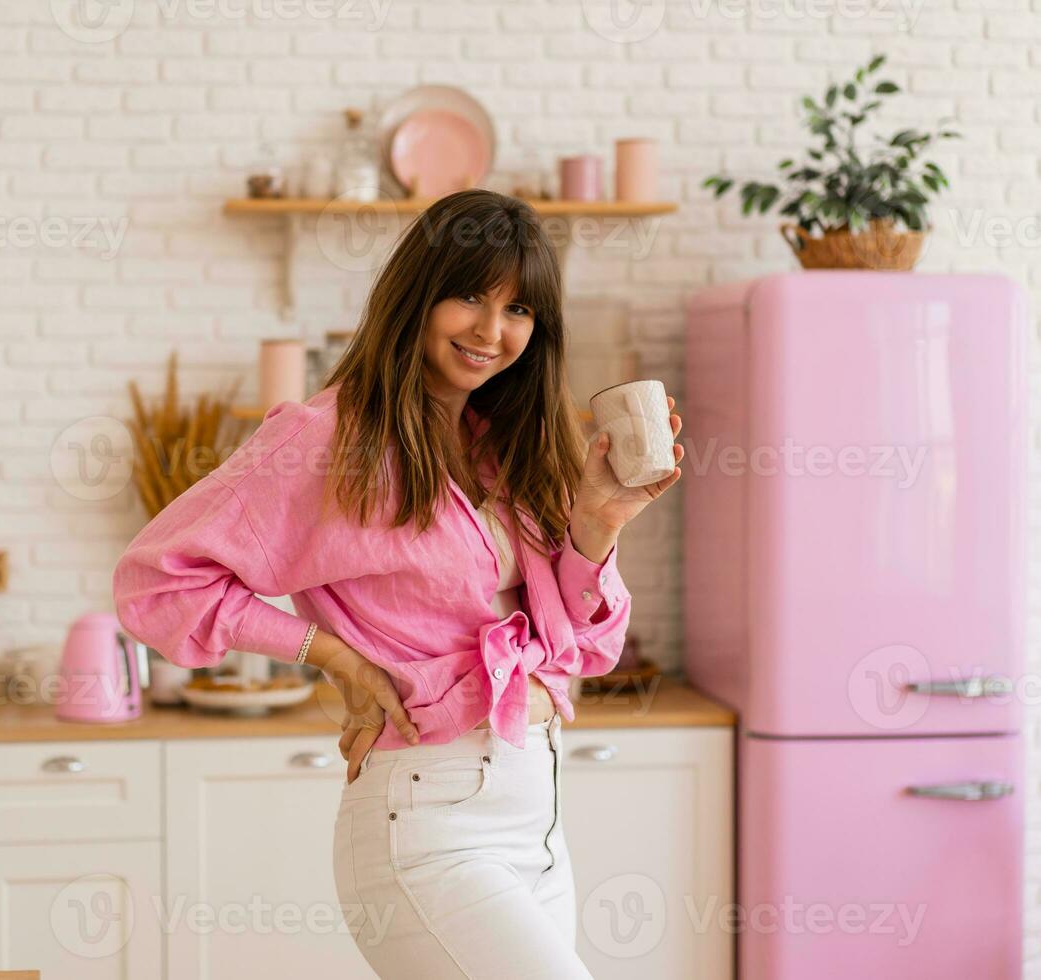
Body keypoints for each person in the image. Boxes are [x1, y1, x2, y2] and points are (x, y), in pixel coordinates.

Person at [113, 188, 683, 979]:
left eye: (519, 309)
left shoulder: (510, 447)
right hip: (427, 822)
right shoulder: (327, 438)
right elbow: (158, 582)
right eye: (469, 295)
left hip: (538, 823)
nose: (491, 331)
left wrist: (600, 521)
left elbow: (589, 649)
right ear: (417, 293)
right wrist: (331, 655)